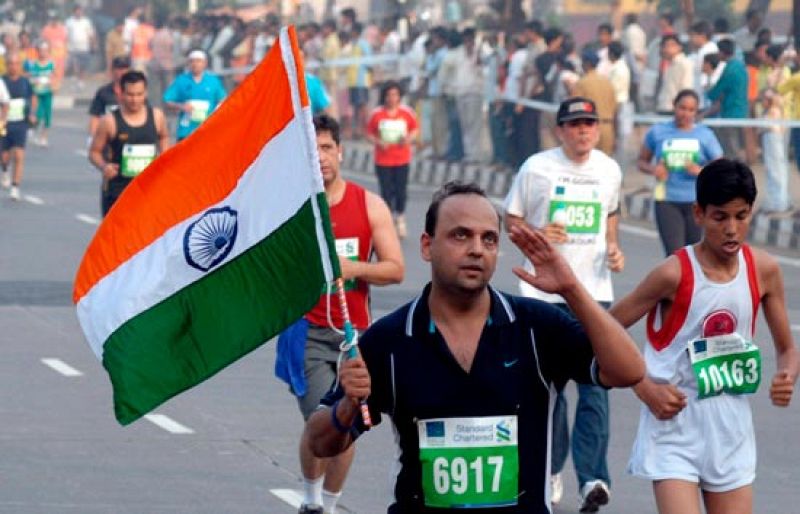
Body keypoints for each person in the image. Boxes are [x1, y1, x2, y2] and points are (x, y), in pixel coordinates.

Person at [303, 180, 644, 514]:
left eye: (489, 239)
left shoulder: (536, 326)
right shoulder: (389, 339)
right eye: (460, 235)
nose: (477, 249)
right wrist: (347, 406)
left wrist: (571, 289)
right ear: (427, 246)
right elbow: (320, 443)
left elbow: (629, 370)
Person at [609, 158, 798, 514]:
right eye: (720, 217)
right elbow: (606, 330)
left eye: (741, 216)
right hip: (674, 424)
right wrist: (644, 387)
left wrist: (787, 375)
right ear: (698, 214)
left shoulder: (764, 270)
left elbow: (787, 348)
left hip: (731, 427)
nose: (732, 229)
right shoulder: (673, 274)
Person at [277, 114, 404, 514]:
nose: (321, 157)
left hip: (355, 337)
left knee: (347, 422)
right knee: (322, 418)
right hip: (307, 332)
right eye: (312, 151)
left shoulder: (369, 205)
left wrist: (353, 269)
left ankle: (329, 505)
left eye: (327, 148)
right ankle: (311, 498)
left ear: (340, 153)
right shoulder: (293, 210)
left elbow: (395, 269)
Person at [503, 97, 624, 512]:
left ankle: (592, 479)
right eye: (574, 124)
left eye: (589, 122)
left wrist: (613, 246)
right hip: (543, 297)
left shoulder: (609, 170)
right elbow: (511, 219)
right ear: (560, 130)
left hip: (593, 293)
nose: (583, 130)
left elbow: (611, 213)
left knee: (596, 387)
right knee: (549, 389)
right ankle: (551, 468)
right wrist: (536, 233)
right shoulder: (536, 168)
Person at [637, 89, 723, 256]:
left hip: (697, 202)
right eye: (682, 108)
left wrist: (701, 171)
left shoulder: (704, 135)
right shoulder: (658, 132)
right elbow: (641, 161)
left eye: (691, 110)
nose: (686, 114)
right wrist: (654, 169)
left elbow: (721, 168)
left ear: (696, 112)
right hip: (667, 200)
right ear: (674, 106)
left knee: (694, 256)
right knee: (675, 255)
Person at [88, 70, 169, 216]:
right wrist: (104, 166)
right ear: (121, 94)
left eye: (139, 94)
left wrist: (163, 158)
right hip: (118, 191)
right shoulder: (109, 121)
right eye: (130, 94)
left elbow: (163, 137)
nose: (135, 100)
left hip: (149, 190)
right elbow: (94, 152)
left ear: (145, 93)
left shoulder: (157, 117)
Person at [366, 80, 419, 239]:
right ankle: (388, 220)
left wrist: (408, 139)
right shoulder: (377, 114)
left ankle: (400, 217)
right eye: (389, 95)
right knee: (386, 191)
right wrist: (378, 142)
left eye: (395, 95)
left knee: (401, 190)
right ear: (384, 96)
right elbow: (369, 133)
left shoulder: (406, 113)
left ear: (399, 96)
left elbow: (415, 129)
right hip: (383, 160)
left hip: (402, 159)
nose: (392, 98)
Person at [163, 50, 226, 142]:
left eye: (198, 61)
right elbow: (167, 100)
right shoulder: (181, 80)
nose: (195, 64)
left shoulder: (213, 81)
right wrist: (181, 106)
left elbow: (223, 99)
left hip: (208, 130)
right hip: (186, 131)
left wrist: (216, 112)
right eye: (192, 61)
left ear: (205, 63)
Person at [1, 52, 36, 201]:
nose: (13, 67)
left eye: (16, 64)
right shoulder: (2, 82)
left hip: (20, 122)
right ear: (6, 65)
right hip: (4, 123)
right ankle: (4, 170)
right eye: (10, 64)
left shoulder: (25, 82)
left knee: (19, 155)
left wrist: (32, 113)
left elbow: (32, 97)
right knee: (4, 155)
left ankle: (15, 187)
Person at [573, 51, 617, 156]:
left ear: (587, 64)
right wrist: (615, 134)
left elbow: (574, 109)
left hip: (588, 129)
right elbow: (615, 110)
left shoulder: (582, 83)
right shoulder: (608, 83)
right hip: (607, 129)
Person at [88, 56, 131, 140]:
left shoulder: (136, 91)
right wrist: (92, 138)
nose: (123, 72)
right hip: (109, 136)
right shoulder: (103, 92)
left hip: (131, 136)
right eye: (119, 68)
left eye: (125, 68)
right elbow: (95, 117)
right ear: (112, 71)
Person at [65, 5, 96, 88]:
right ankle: (77, 80)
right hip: (72, 48)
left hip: (84, 47)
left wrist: (93, 45)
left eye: (80, 11)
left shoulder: (86, 22)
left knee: (83, 66)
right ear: (74, 12)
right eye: (77, 11)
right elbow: (65, 35)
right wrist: (65, 46)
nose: (79, 12)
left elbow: (91, 34)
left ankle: (81, 80)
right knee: (75, 65)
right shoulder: (69, 22)